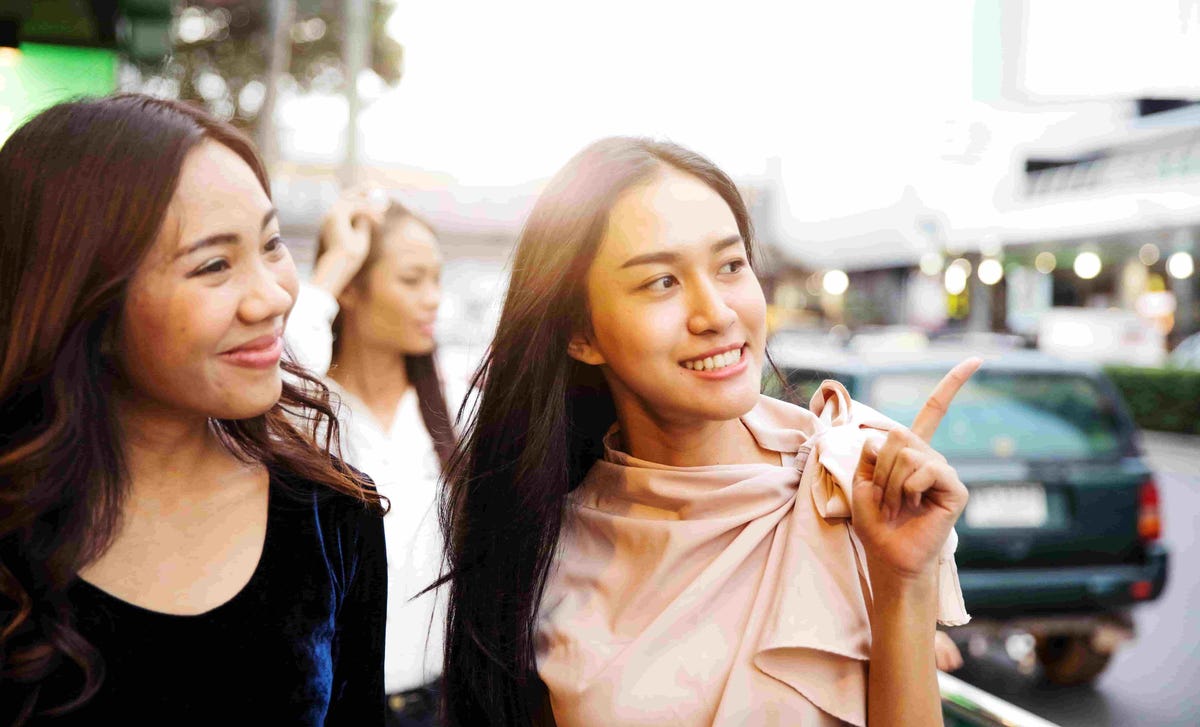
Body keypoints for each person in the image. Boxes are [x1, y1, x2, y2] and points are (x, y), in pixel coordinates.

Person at [439, 137, 981, 726]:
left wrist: (902, 581)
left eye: (729, 265)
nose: (716, 313)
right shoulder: (542, 544)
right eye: (660, 282)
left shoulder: (850, 484)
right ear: (581, 334)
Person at [0, 95, 387, 725]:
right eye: (213, 264)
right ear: (83, 300)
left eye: (271, 243)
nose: (271, 298)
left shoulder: (331, 516)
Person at [286, 190, 456, 726]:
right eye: (412, 279)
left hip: (445, 702)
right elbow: (280, 364)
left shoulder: (457, 404)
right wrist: (334, 265)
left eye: (437, 278)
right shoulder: (310, 412)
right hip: (340, 706)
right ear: (354, 289)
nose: (433, 298)